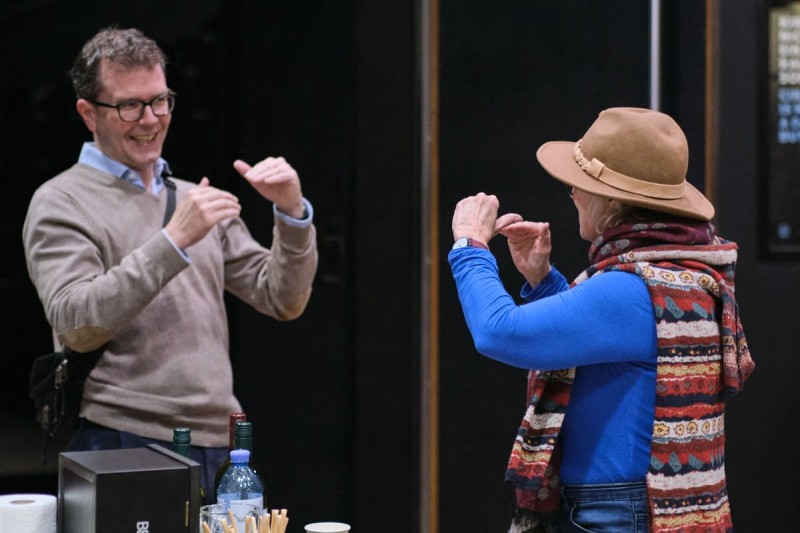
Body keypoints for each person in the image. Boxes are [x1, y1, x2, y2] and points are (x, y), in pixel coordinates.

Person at [22, 27, 317, 501]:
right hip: (121, 436)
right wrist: (173, 239)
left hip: (219, 440)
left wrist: (292, 214)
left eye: (161, 101)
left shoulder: (190, 197)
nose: (150, 119)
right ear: (87, 113)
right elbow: (76, 324)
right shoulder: (61, 201)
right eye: (129, 106)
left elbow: (282, 298)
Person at [449, 107, 755, 532]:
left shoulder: (633, 287)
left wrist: (470, 245)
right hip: (636, 506)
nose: (572, 195)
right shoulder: (679, 270)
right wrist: (542, 279)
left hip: (616, 512)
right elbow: (601, 350)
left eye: (581, 185)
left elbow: (498, 331)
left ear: (610, 201)